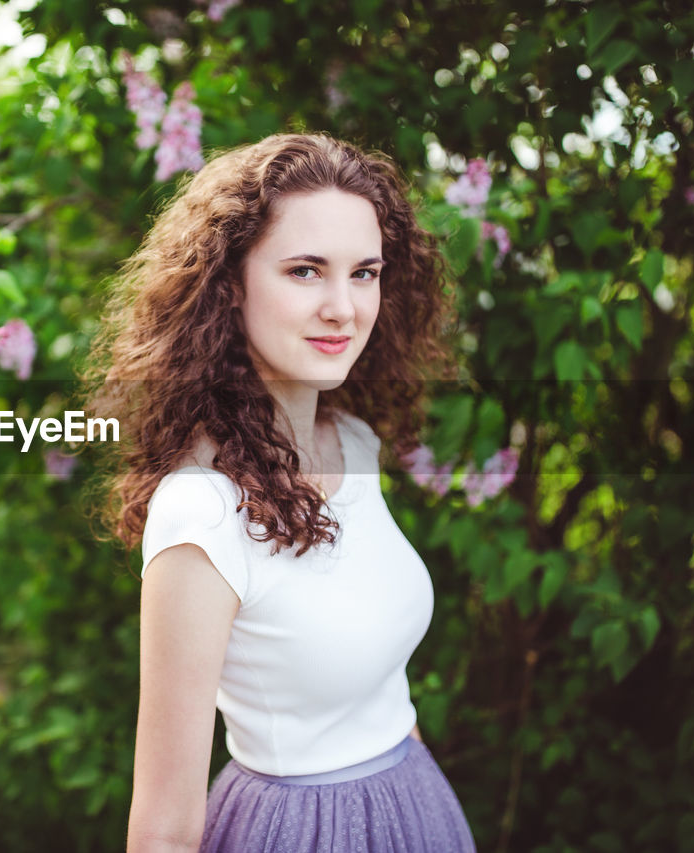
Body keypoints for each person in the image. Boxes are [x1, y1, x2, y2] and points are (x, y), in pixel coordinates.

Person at [83, 132, 477, 852]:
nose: (344, 307)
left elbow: (381, 690)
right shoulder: (201, 509)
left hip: (415, 806)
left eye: (364, 272)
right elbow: (163, 830)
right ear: (228, 282)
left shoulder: (354, 440)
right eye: (305, 270)